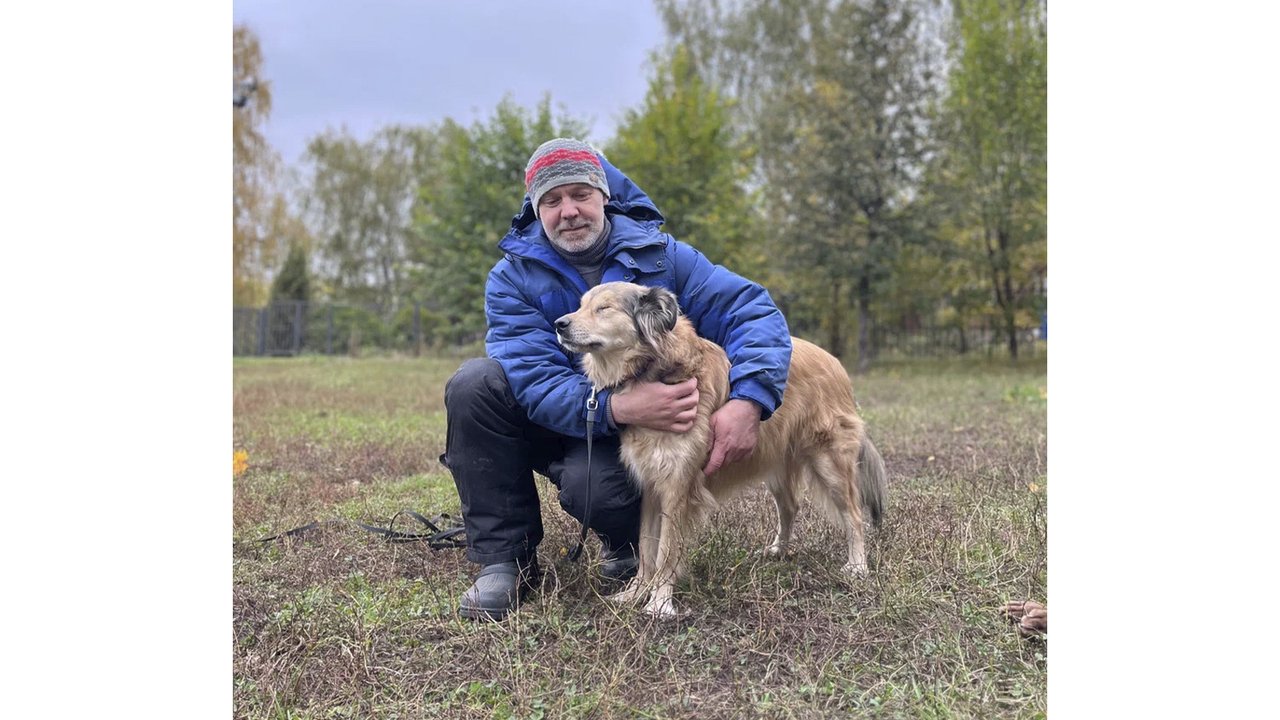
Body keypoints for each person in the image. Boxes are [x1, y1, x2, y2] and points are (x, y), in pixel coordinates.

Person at [440, 137, 793, 620]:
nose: (568, 211)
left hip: (626, 439)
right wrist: (613, 408)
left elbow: (751, 310)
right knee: (474, 384)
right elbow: (532, 377)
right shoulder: (511, 277)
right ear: (536, 209)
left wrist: (749, 400)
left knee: (602, 490)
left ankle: (626, 546)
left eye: (580, 194)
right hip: (559, 421)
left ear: (604, 195)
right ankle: (504, 561)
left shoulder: (664, 257)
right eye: (551, 200)